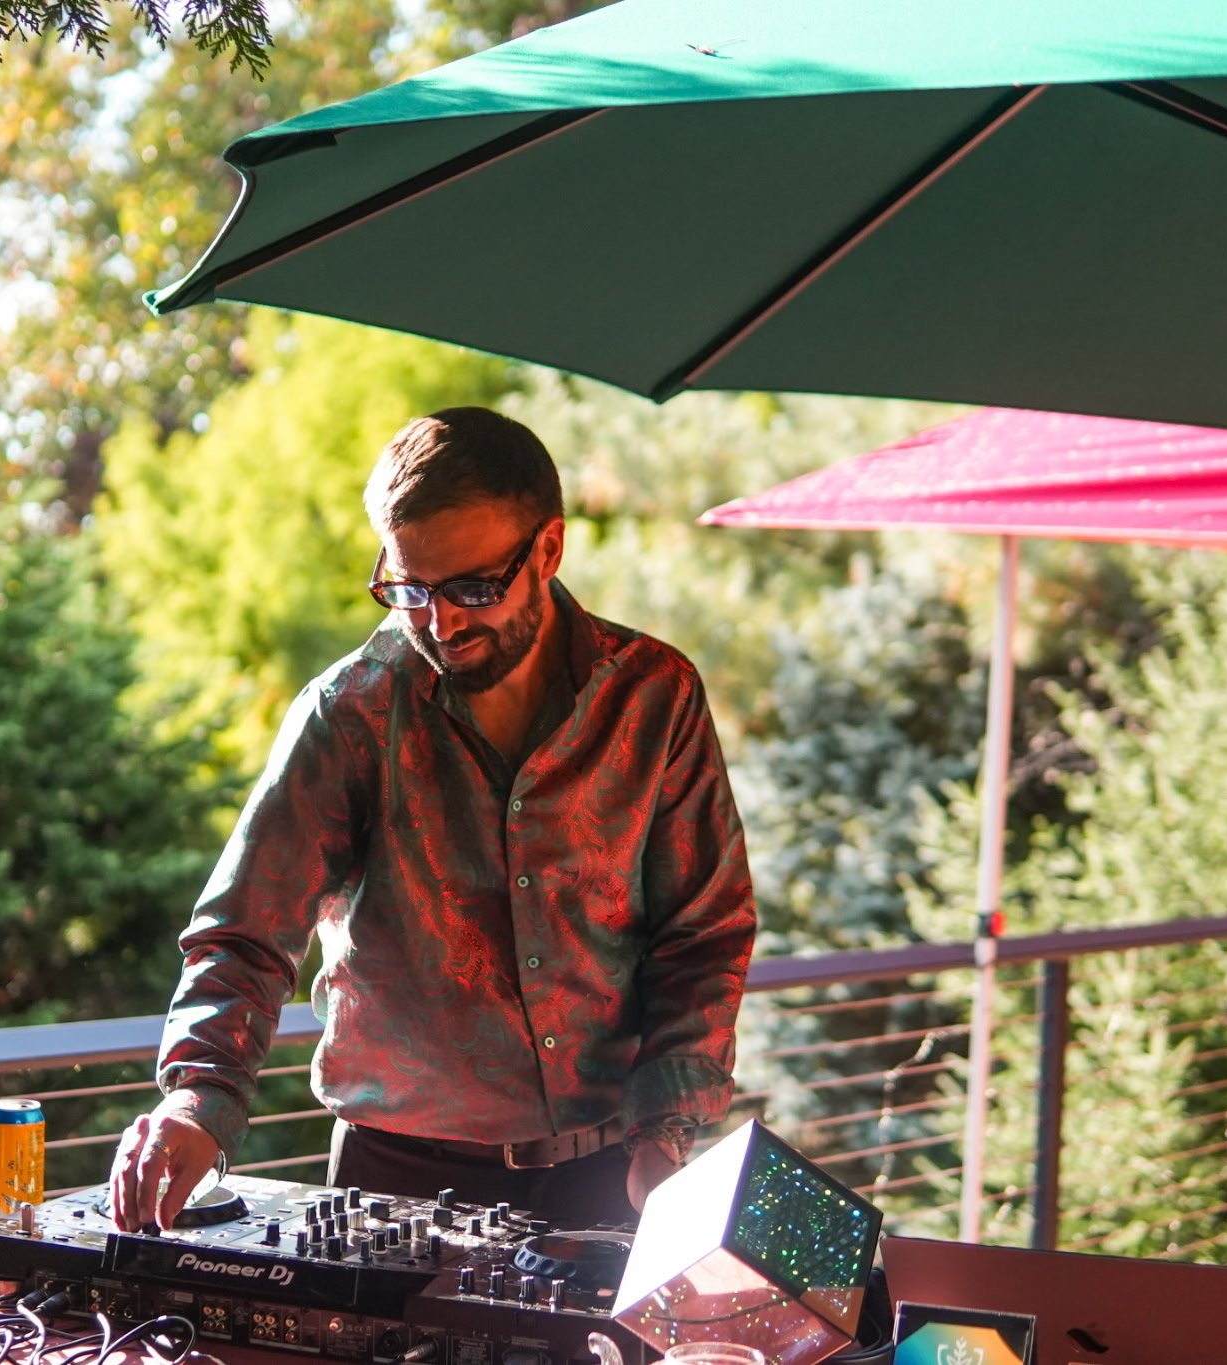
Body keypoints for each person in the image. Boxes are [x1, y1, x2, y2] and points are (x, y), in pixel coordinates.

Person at [110, 406, 754, 1233]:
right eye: (410, 589)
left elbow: (703, 932)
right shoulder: (348, 713)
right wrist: (196, 1101)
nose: (442, 623)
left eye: (473, 588)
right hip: (394, 1182)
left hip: (617, 1173)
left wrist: (666, 1131)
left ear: (549, 550)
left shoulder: (655, 695)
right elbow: (245, 935)